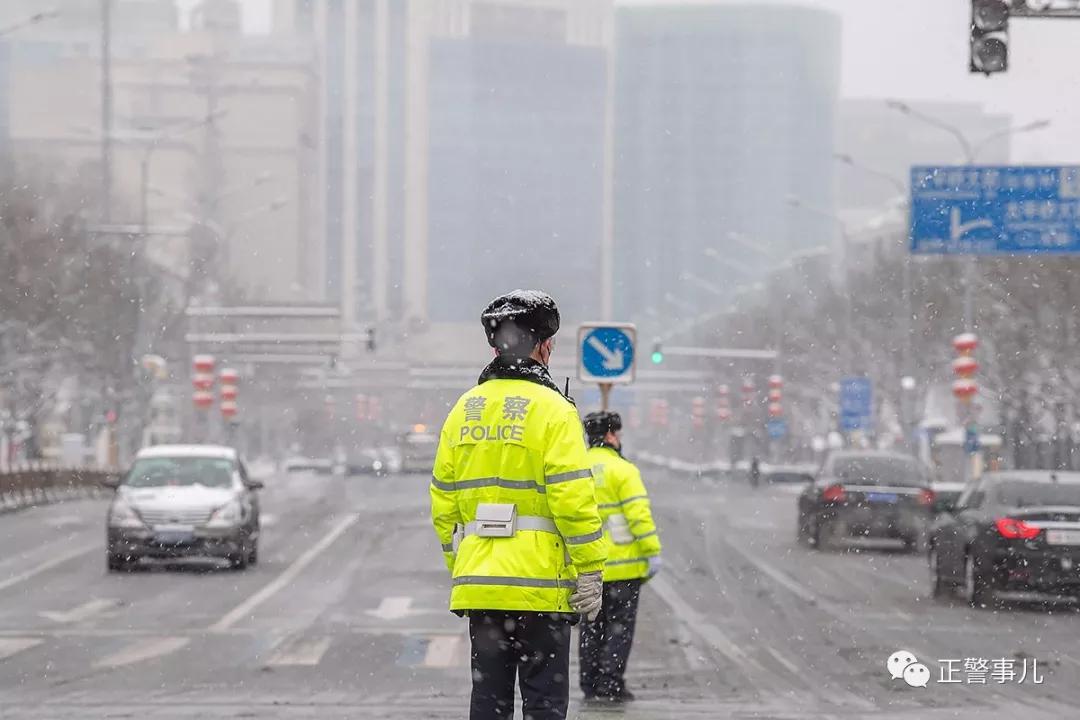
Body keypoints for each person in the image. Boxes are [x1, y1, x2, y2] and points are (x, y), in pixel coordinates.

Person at [430, 290, 608, 720]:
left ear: (496, 346)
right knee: (544, 704)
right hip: (540, 590)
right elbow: (572, 497)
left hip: (482, 589)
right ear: (544, 346)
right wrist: (590, 568)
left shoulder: (463, 409)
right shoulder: (554, 411)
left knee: (488, 704)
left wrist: (464, 563)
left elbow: (443, 504)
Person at [579, 410, 662, 703]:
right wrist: (652, 552)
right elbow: (638, 516)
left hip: (588, 567)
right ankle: (610, 684)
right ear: (612, 435)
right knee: (619, 629)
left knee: (591, 627)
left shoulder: (578, 467)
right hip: (624, 570)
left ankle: (589, 684)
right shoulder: (624, 471)